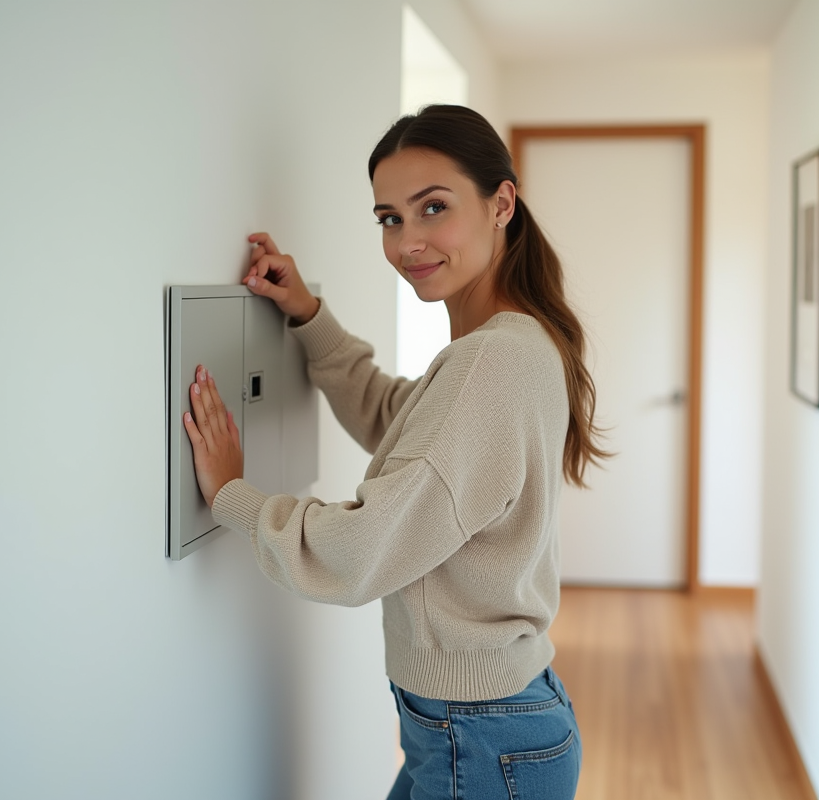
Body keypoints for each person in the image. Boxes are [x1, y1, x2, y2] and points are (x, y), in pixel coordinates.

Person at [182, 104, 604, 800]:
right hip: (483, 727)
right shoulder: (514, 345)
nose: (409, 241)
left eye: (433, 207)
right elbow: (400, 421)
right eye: (389, 218)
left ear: (502, 203)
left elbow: (359, 550)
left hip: (478, 737)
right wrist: (312, 321)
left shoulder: (491, 361)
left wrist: (233, 493)